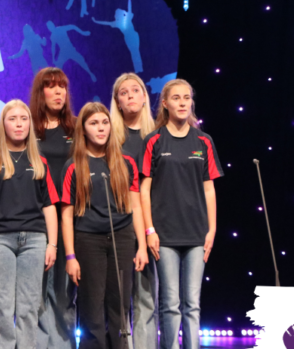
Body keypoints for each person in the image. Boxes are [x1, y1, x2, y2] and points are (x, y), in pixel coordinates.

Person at [140, 79, 223, 349]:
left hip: (197, 234)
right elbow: (144, 190)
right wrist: (150, 230)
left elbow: (209, 189)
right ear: (165, 103)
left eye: (187, 97)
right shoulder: (154, 140)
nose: (183, 102)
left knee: (192, 304)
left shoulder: (204, 141)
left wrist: (212, 230)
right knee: (171, 303)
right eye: (176, 98)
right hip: (164, 235)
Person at [0, 100, 60, 349]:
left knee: (29, 306)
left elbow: (49, 206)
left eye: (24, 119)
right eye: (12, 119)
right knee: (0, 306)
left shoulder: (39, 160)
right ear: (3, 124)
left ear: (30, 124)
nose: (19, 124)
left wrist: (52, 244)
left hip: (34, 240)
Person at [61, 102, 148, 349]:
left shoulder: (125, 162)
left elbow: (136, 206)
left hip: (122, 239)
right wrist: (70, 256)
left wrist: (141, 246)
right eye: (93, 123)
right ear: (83, 129)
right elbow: (66, 215)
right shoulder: (73, 166)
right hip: (88, 241)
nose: (101, 128)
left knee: (119, 307)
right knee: (92, 309)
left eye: (104, 122)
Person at [29, 67, 77, 349]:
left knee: (63, 291)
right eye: (51, 86)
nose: (59, 92)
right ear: (41, 91)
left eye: (63, 86)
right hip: (35, 219)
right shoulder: (27, 128)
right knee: (35, 292)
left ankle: (62, 344)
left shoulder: (75, 128)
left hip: (69, 218)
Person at [110, 73, 157, 349]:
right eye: (124, 92)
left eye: (135, 90)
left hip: (152, 223)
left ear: (144, 96)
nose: (130, 96)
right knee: (118, 299)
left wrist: (150, 229)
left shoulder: (158, 135)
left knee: (146, 298)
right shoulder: (110, 137)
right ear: (117, 101)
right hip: (119, 223)